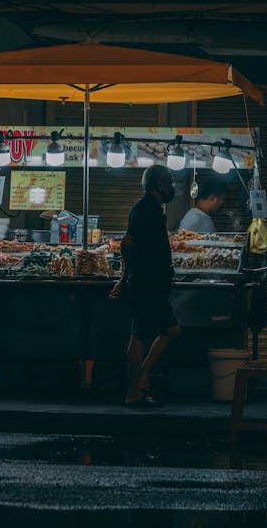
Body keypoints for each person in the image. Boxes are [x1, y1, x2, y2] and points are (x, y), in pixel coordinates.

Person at [110, 165, 181, 408]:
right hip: (146, 282)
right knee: (155, 333)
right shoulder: (145, 208)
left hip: (149, 281)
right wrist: (125, 276)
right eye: (169, 183)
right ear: (159, 185)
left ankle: (139, 384)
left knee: (144, 333)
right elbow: (127, 242)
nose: (172, 187)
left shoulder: (153, 208)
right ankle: (135, 387)